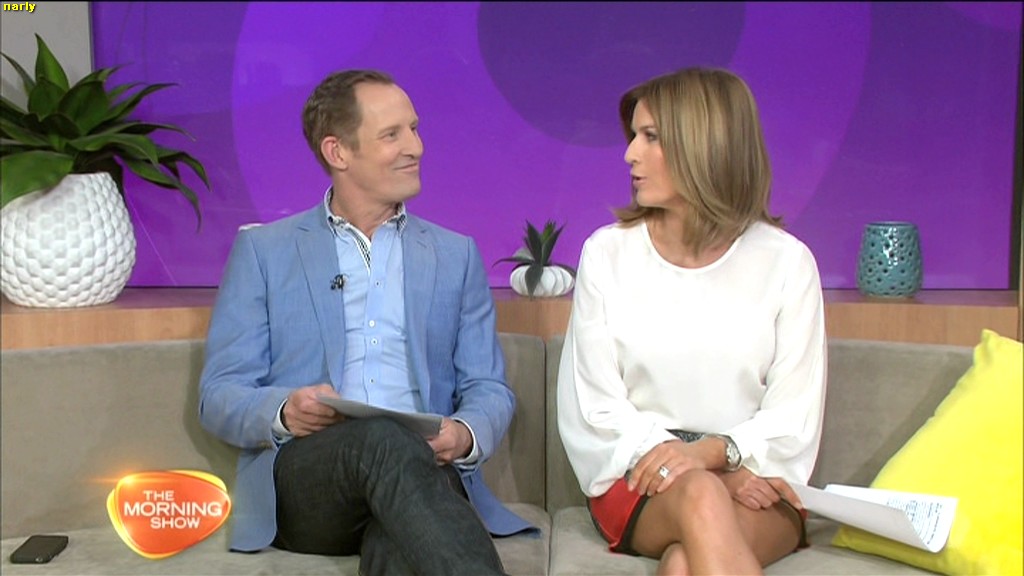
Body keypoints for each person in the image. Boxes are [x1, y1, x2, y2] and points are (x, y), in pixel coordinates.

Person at [199, 69, 531, 576]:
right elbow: (219, 395)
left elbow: (488, 387)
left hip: (425, 469)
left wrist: (464, 434)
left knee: (398, 539)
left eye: (414, 129)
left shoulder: (454, 255)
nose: (416, 147)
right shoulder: (265, 252)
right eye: (392, 134)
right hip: (312, 480)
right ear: (338, 152)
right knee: (381, 439)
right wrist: (285, 410)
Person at [557, 67, 827, 575]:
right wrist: (693, 466)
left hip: (755, 475)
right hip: (639, 477)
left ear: (704, 146)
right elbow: (595, 407)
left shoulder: (787, 263)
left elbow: (794, 417)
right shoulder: (607, 254)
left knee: (685, 564)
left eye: (650, 137)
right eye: (633, 136)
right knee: (702, 494)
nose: (629, 154)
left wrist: (718, 455)